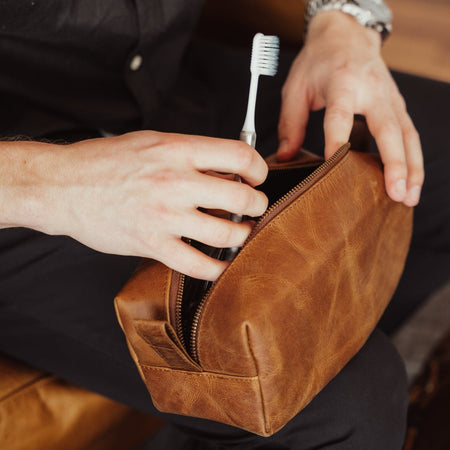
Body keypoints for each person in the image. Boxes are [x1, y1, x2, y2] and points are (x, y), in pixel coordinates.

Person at [0, 1, 448, 449]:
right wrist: (52, 181)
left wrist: (346, 24)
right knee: (354, 399)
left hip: (163, 82)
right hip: (22, 200)